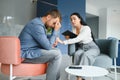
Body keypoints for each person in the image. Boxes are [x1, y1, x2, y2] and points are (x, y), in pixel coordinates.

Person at [19, 9, 62, 80]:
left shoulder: (41, 25)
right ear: (48, 17)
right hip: (26, 54)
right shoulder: (36, 25)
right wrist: (55, 31)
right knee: (56, 55)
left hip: (33, 51)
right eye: (54, 23)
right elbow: (48, 46)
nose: (54, 26)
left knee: (57, 50)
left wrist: (56, 32)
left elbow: (48, 41)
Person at [56, 13, 100, 80]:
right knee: (76, 54)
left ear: (79, 19)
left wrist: (63, 42)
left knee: (86, 55)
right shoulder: (74, 28)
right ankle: (78, 74)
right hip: (81, 47)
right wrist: (68, 37)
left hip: (92, 47)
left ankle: (80, 77)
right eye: (71, 19)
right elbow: (75, 40)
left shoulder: (86, 28)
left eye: (74, 19)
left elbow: (78, 39)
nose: (72, 21)